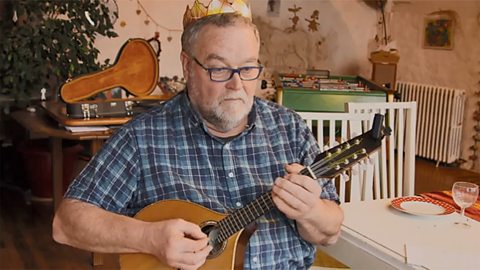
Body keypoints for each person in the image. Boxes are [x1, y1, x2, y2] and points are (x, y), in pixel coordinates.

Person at [52, 7, 343, 270]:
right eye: (219, 69)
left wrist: (311, 210)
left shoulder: (289, 128)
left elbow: (330, 231)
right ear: (187, 66)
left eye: (248, 68)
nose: (237, 84)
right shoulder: (142, 138)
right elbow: (66, 224)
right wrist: (149, 237)